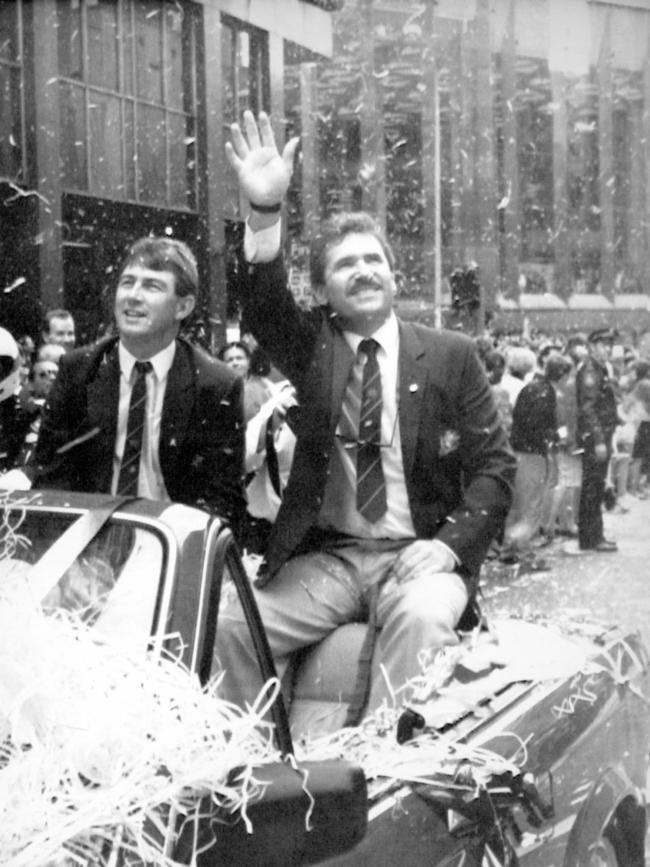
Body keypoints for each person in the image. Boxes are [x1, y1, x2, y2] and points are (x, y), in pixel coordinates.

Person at [215, 111, 515, 721]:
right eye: (345, 265)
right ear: (323, 292)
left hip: (417, 554)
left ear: (393, 276)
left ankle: (384, 778)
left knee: (425, 619)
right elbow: (265, 302)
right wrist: (265, 210)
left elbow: (495, 469)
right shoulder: (313, 346)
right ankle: (245, 771)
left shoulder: (452, 357)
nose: (363, 270)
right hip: (328, 561)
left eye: (373, 259)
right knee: (226, 623)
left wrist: (449, 549)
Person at [24, 237, 246, 535]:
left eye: (152, 286)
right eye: (127, 283)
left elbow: (221, 501)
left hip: (171, 550)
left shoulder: (216, 385)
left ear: (183, 306)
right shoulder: (77, 371)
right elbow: (51, 480)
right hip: (85, 546)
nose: (133, 296)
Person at [501, 353, 573, 566]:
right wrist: (555, 435)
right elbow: (538, 426)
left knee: (518, 502)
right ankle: (523, 550)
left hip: (518, 450)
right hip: (533, 453)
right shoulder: (545, 393)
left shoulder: (531, 387)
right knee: (532, 504)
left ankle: (509, 547)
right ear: (561, 375)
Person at [575, 327, 620, 552]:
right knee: (592, 487)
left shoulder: (599, 369)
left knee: (596, 485)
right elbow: (588, 409)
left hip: (600, 434)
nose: (608, 349)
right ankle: (591, 538)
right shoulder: (591, 371)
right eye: (603, 345)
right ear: (591, 346)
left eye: (610, 345)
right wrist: (600, 440)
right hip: (595, 438)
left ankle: (594, 535)